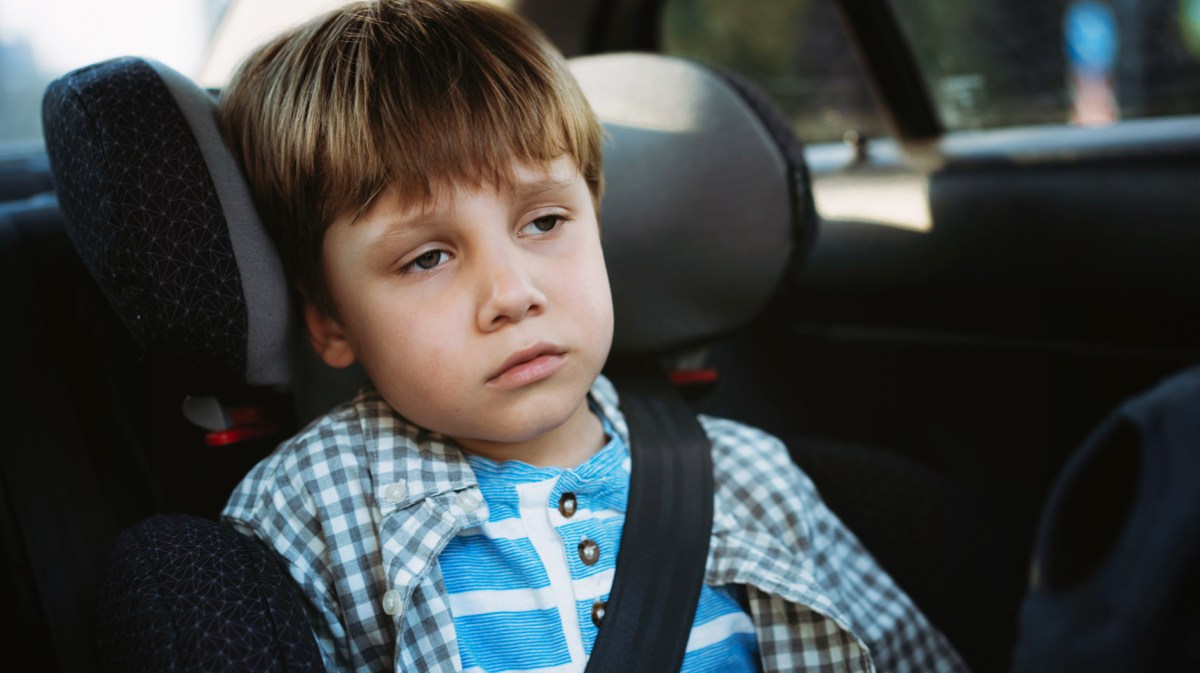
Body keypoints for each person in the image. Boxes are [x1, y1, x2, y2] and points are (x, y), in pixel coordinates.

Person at [218, 1, 969, 671]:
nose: (513, 294)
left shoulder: (749, 478)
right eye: (427, 257)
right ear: (330, 321)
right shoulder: (315, 513)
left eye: (544, 222)